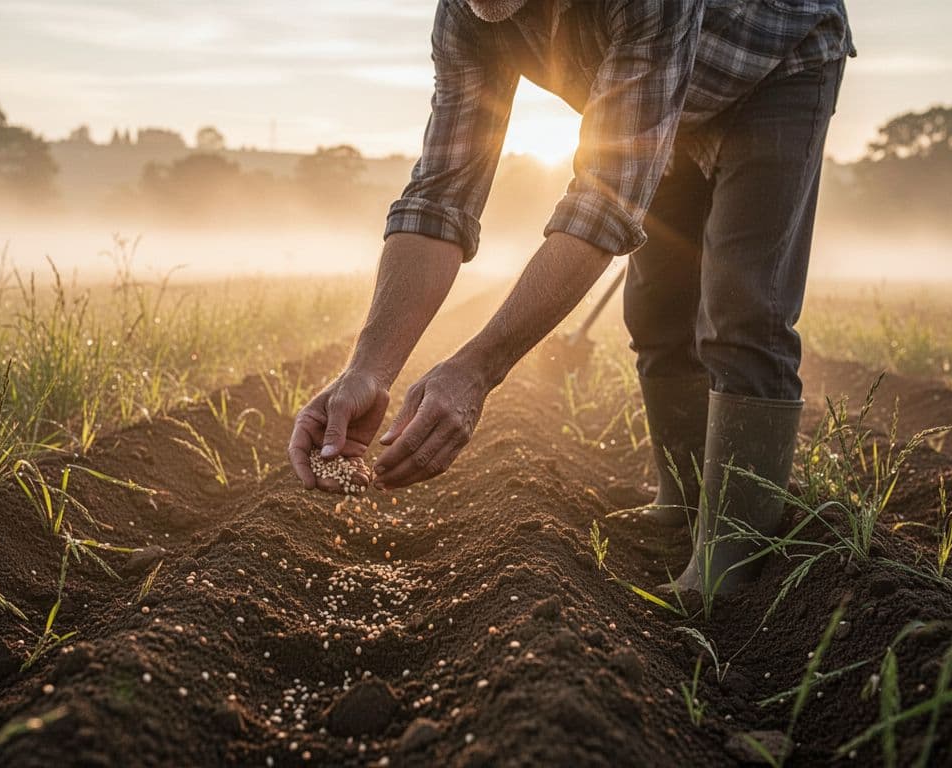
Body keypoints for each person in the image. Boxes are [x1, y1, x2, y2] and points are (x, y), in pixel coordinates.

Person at [288, 0, 853, 595]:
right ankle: (683, 502)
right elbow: (441, 195)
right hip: (667, 104)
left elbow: (605, 199)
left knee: (742, 313)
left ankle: (732, 561)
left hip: (774, 65)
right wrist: (368, 368)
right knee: (658, 309)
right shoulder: (467, 15)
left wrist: (477, 369)